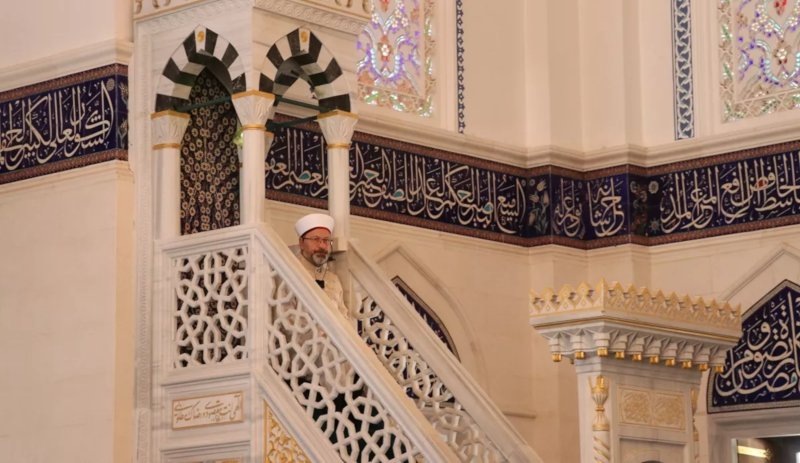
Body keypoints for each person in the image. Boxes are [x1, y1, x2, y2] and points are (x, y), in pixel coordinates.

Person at [292, 212, 350, 320]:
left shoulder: (333, 279)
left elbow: (344, 318)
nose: (322, 246)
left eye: (326, 240)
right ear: (301, 243)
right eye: (315, 239)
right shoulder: (290, 273)